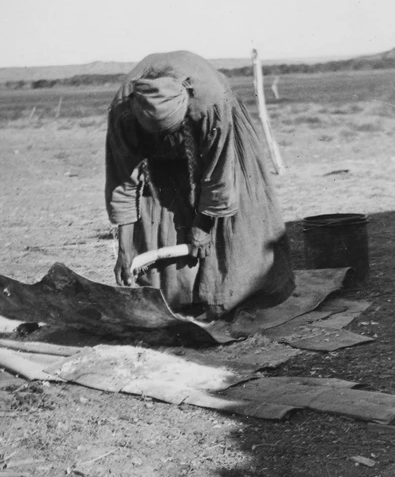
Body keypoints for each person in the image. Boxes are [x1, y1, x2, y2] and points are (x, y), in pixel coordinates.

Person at [105, 50, 294, 319]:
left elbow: (219, 174)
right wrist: (125, 250)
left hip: (213, 134)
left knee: (234, 227)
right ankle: (178, 296)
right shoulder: (123, 113)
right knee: (159, 213)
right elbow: (122, 182)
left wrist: (203, 225)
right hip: (156, 155)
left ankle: (227, 293)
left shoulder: (210, 103)